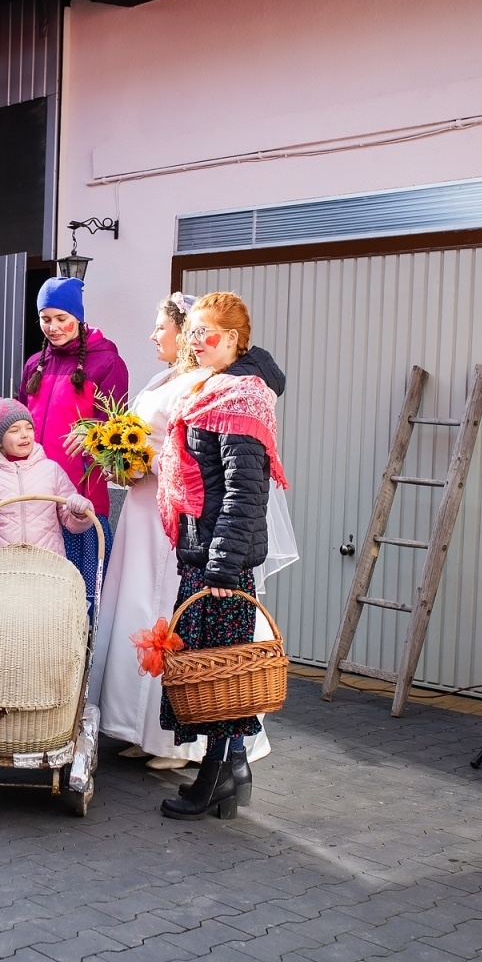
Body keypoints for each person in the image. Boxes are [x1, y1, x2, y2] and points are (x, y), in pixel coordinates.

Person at [91, 293, 284, 775]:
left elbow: (232, 482)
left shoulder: (221, 390)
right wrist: (123, 460)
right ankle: (141, 728)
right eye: (192, 333)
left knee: (196, 636)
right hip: (159, 514)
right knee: (142, 611)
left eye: (168, 327)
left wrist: (149, 462)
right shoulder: (171, 380)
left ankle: (201, 756)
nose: (159, 336)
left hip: (189, 526)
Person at [150, 291, 289, 820]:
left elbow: (244, 492)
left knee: (217, 674)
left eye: (204, 332)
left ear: (232, 339)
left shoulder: (242, 397)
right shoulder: (213, 389)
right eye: (191, 333)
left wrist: (223, 569)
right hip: (204, 554)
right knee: (212, 671)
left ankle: (216, 776)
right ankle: (232, 770)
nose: (194, 341)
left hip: (219, 562)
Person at [18, 277, 128, 607]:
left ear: (78, 317)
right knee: (34, 599)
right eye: (45, 319)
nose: (53, 327)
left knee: (74, 602)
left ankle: (76, 659)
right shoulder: (34, 364)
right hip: (33, 495)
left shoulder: (107, 362)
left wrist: (91, 431)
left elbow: (117, 432)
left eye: (62, 318)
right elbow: (21, 420)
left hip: (79, 500)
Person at [0, 397, 94, 555]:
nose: (24, 435)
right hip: (1, 567)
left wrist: (78, 511)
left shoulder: (51, 470)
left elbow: (72, 523)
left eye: (29, 428)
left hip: (46, 565)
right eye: (14, 430)